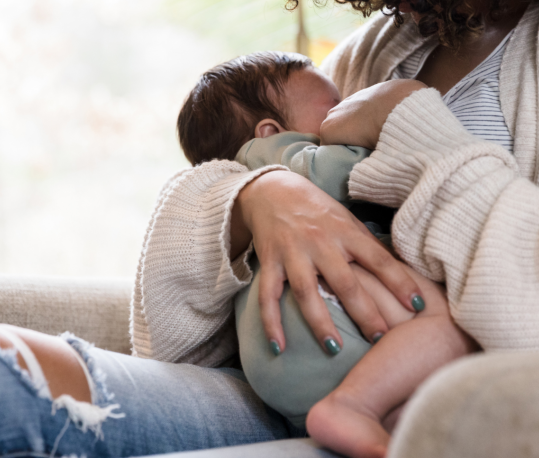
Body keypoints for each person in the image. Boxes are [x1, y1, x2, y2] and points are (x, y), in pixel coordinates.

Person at [0, 0, 539, 457]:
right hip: (288, 394)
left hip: (424, 417)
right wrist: (261, 194)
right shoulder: (392, 42)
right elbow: (172, 335)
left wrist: (408, 121)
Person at [175, 50, 476, 457]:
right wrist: (390, 119)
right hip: (315, 321)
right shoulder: (277, 158)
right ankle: (351, 405)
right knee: (453, 326)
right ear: (269, 131)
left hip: (277, 357)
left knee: (408, 421)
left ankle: (362, 416)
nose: (346, 114)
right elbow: (348, 172)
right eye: (335, 108)